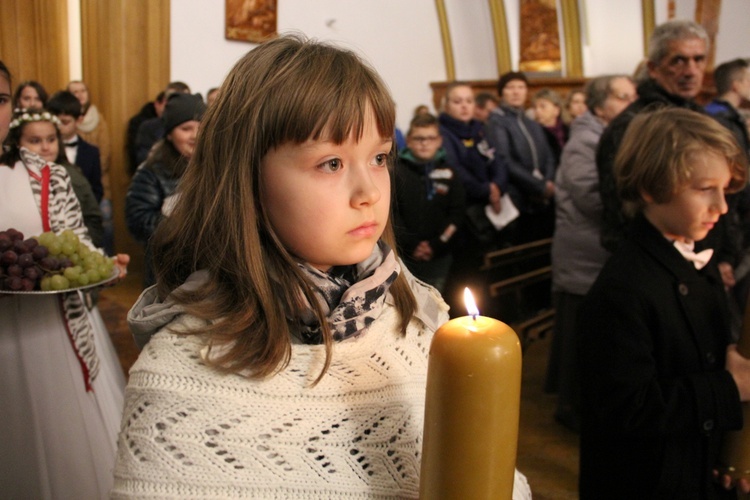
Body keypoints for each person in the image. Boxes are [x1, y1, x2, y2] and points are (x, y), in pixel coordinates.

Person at [111, 36, 531, 499]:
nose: (368, 191)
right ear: (246, 179)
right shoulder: (180, 373)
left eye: (378, 157)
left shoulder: (416, 322)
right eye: (331, 163)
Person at [578, 107, 750, 499]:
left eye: (725, 189)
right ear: (652, 187)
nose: (722, 207)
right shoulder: (623, 288)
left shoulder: (698, 263)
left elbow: (696, 359)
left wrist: (731, 454)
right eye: (705, 188)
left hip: (694, 464)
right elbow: (627, 408)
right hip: (649, 481)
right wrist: (729, 387)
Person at [0, 61, 128, 499]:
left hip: (50, 333)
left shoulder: (47, 175)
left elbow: (75, 243)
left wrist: (104, 263)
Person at [547, 74, 636, 431]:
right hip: (582, 255)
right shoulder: (585, 141)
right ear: (600, 105)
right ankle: (571, 408)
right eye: (621, 97)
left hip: (593, 253)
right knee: (576, 337)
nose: (631, 103)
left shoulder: (607, 136)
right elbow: (591, 197)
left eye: (633, 96)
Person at [596, 19, 709, 253]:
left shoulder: (699, 117)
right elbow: (623, 208)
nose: (690, 71)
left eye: (698, 59)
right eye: (678, 60)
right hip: (652, 258)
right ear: (653, 68)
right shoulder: (635, 125)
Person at [438, 82, 510, 311]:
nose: (464, 106)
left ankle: (492, 311)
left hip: (488, 207)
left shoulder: (479, 128)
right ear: (446, 105)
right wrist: (487, 190)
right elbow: (455, 169)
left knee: (489, 268)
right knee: (467, 273)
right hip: (464, 213)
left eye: (469, 101)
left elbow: (497, 160)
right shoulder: (443, 132)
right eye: (457, 101)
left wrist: (497, 184)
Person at [126, 92, 205, 288]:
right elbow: (138, 221)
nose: (195, 135)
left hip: (210, 274)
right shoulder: (151, 171)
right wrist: (182, 220)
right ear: (169, 134)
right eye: (186, 129)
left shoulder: (218, 165)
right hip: (169, 275)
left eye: (201, 127)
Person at [12, 107, 105, 247]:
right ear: (17, 144)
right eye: (35, 141)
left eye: (51, 139)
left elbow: (92, 218)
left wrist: (80, 246)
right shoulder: (13, 178)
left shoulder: (71, 174)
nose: (45, 147)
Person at [393, 113, 465, 293]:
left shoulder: (450, 173)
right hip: (405, 254)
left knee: (436, 304)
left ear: (439, 141)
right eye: (419, 138)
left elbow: (456, 213)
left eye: (430, 138)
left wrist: (436, 245)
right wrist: (412, 245)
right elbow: (392, 214)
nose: (424, 143)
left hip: (439, 253)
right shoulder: (395, 172)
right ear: (408, 140)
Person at [485, 71, 556, 244]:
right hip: (518, 197)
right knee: (523, 247)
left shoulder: (531, 121)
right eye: (510, 87)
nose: (516, 92)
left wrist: (548, 181)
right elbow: (505, 160)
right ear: (502, 93)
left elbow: (549, 156)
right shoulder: (497, 122)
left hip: (542, 197)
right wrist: (539, 186)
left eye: (521, 87)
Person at [46, 90, 104, 203]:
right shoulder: (45, 149)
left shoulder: (91, 152)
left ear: (79, 120)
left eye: (65, 122)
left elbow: (97, 190)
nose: (59, 127)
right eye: (55, 122)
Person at [134, 81, 191, 165]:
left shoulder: (198, 124)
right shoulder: (149, 127)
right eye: (173, 100)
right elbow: (142, 158)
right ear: (165, 101)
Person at [531, 88, 569, 164]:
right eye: (535, 107)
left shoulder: (569, 130)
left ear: (556, 110)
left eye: (542, 106)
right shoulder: (533, 133)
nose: (537, 111)